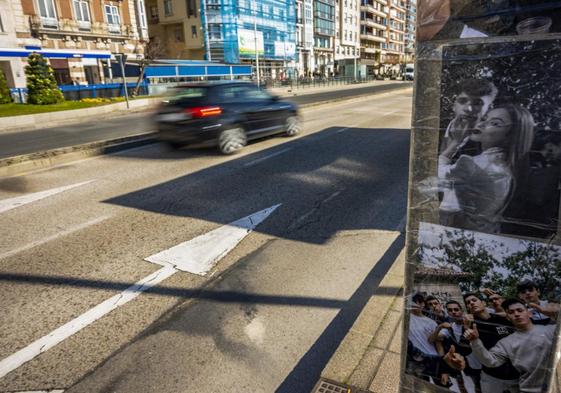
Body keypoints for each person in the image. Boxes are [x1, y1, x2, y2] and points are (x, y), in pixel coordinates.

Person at [439, 103, 535, 233]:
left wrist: (455, 142)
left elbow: (432, 177)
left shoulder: (475, 165)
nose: (482, 124)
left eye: (495, 123)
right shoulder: (504, 167)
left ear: (510, 136)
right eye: (484, 119)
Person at [464, 298, 557, 393]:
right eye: (511, 312)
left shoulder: (552, 330)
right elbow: (490, 361)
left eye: (520, 310)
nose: (516, 314)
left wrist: (556, 314)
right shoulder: (506, 343)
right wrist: (475, 341)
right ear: (508, 318)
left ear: (529, 313)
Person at [462, 293, 520, 393]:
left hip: (515, 375)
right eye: (468, 302)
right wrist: (467, 329)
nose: (471, 303)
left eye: (474, 300)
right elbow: (464, 350)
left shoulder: (502, 319)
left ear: (483, 303)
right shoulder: (471, 326)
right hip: (491, 377)